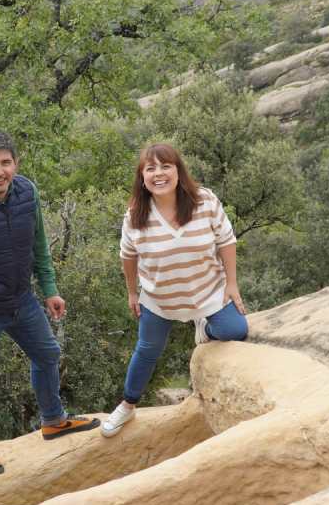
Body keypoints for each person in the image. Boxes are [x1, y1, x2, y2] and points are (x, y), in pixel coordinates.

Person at [0, 131, 100, 475]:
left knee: (48, 354)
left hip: (21, 299)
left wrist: (50, 289)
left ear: (16, 163)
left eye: (5, 162)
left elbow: (38, 244)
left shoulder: (27, 192)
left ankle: (53, 421)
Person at [101, 142, 249, 438]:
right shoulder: (135, 215)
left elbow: (226, 241)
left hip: (208, 291)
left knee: (237, 330)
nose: (159, 174)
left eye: (166, 166)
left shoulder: (204, 201)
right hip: (159, 298)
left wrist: (231, 284)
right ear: (141, 176)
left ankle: (204, 327)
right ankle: (127, 406)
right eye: (150, 168)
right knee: (147, 351)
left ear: (178, 171)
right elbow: (127, 256)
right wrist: (132, 292)